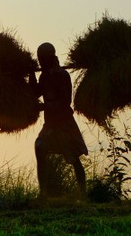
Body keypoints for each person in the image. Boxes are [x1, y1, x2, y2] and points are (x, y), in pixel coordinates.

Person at [30, 42, 88, 197]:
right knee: (40, 147)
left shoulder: (62, 75)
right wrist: (31, 74)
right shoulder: (44, 76)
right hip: (50, 125)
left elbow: (65, 101)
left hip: (64, 123)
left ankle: (83, 193)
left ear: (50, 58)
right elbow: (35, 93)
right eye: (39, 60)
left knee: (74, 157)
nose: (41, 63)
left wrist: (45, 107)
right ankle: (44, 193)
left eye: (43, 59)